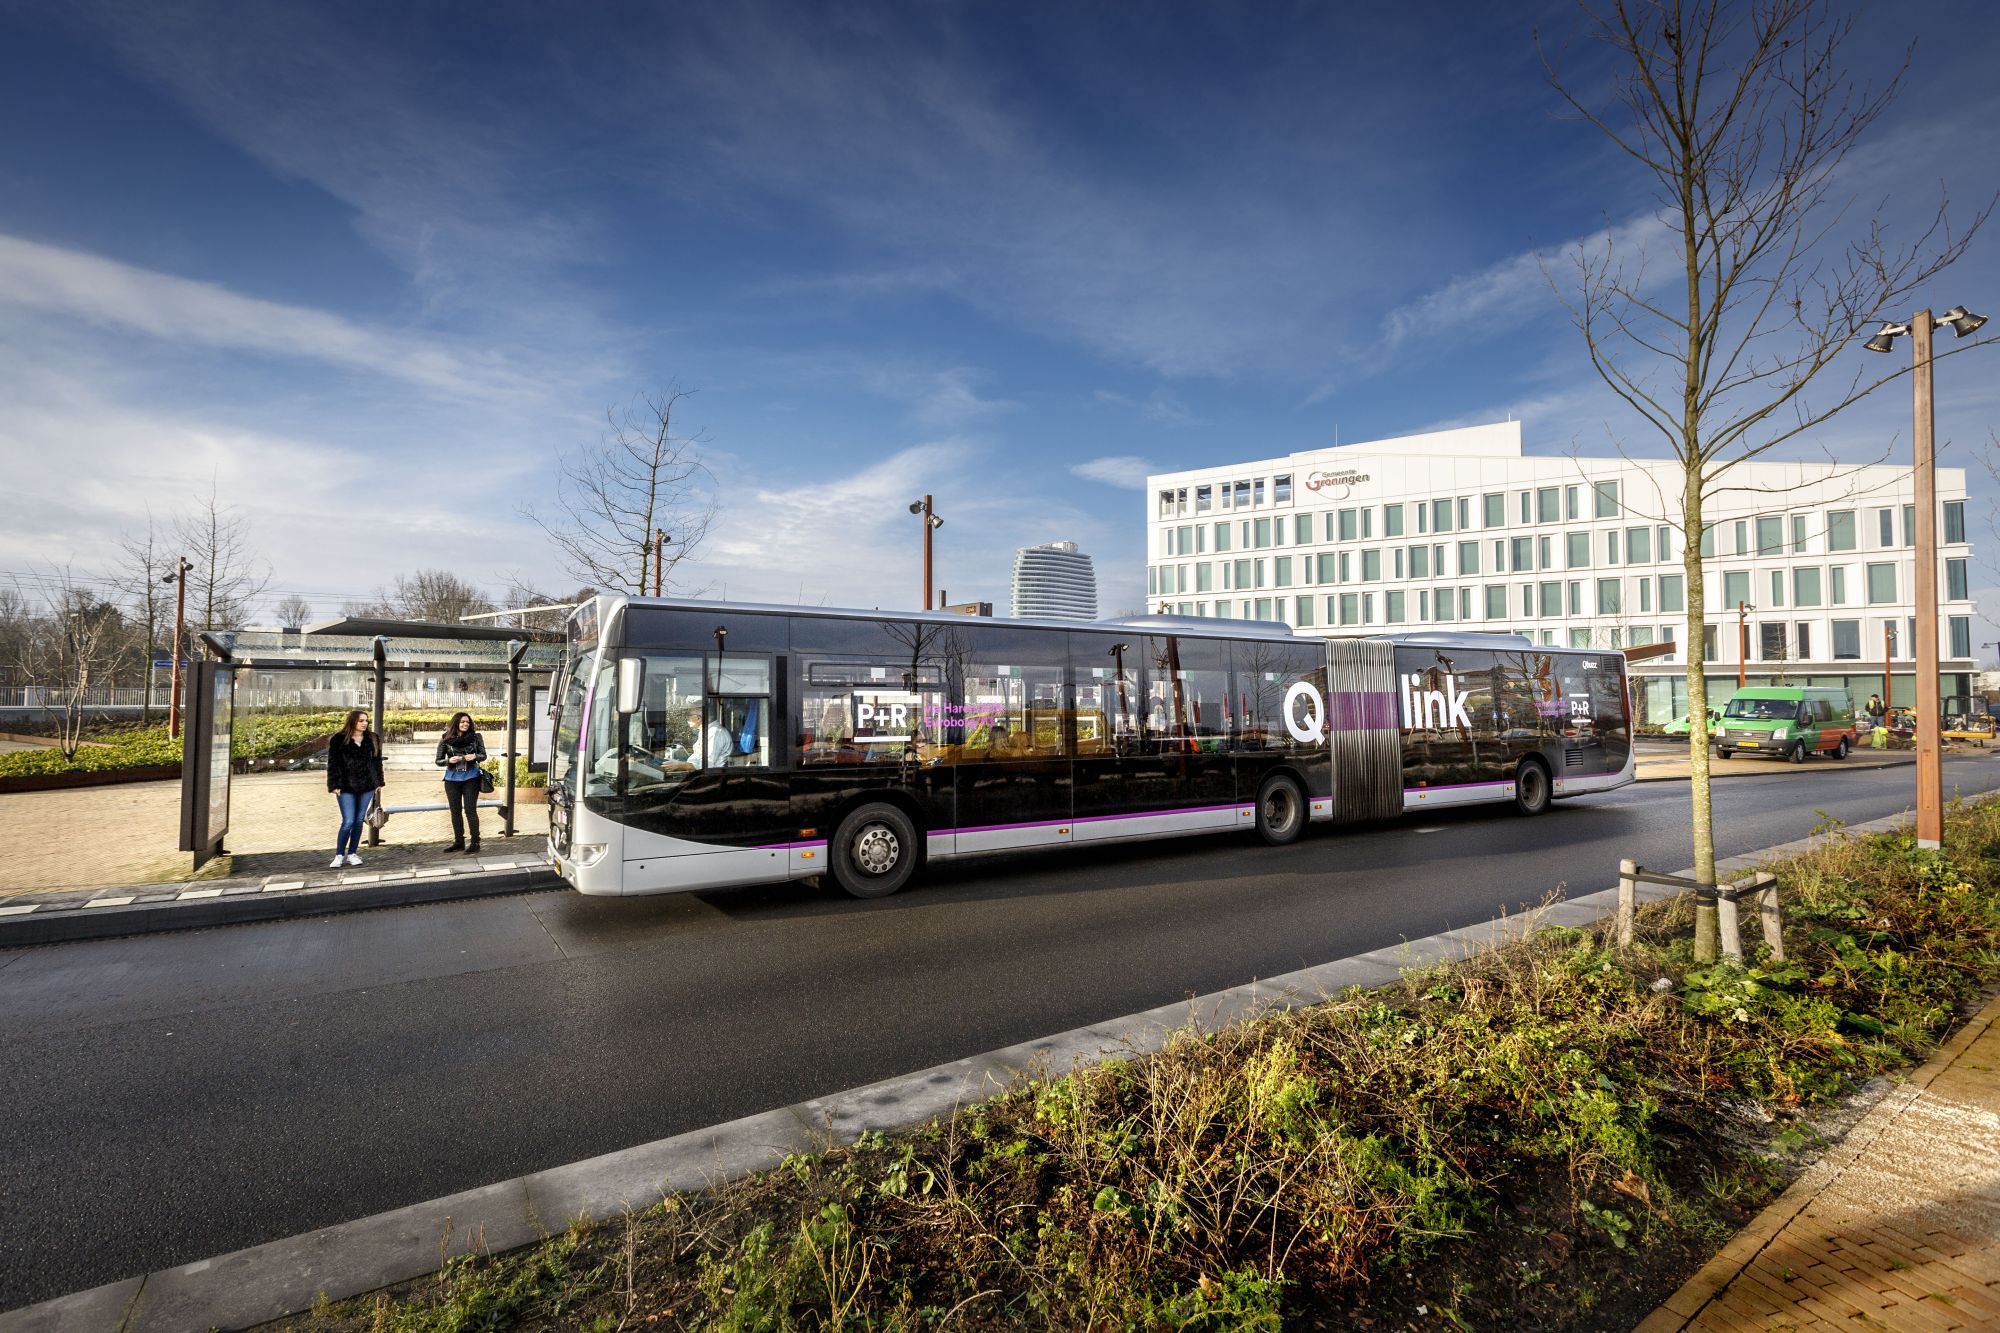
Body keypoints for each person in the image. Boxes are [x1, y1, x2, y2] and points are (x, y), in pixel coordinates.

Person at [326, 710, 383, 868]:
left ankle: (352, 853)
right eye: (360, 721)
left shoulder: (372, 739)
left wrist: (378, 782)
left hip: (367, 785)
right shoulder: (338, 739)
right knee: (348, 821)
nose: (364, 723)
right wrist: (334, 784)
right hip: (345, 786)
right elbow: (333, 763)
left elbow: (377, 762)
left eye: (366, 720)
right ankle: (339, 855)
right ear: (352, 722)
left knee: (358, 821)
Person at [436, 711, 487, 853]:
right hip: (451, 779)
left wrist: (475, 756)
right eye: (462, 722)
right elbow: (438, 760)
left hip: (471, 778)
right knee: (455, 812)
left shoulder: (476, 737)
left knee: (470, 811)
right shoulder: (445, 738)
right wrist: (448, 760)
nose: (465, 724)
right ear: (456, 723)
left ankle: (475, 843)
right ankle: (459, 842)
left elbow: (483, 756)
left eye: (467, 722)